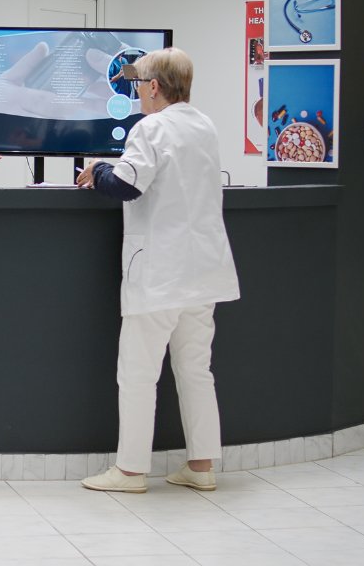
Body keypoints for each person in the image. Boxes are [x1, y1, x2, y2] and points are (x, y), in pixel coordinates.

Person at [75, 47, 240, 493]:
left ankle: (130, 471)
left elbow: (126, 185)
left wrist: (99, 167)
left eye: (137, 84)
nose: (135, 92)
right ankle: (201, 466)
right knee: (195, 370)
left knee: (138, 373)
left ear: (153, 86)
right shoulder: (203, 125)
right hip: (202, 270)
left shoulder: (150, 127)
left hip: (161, 272)